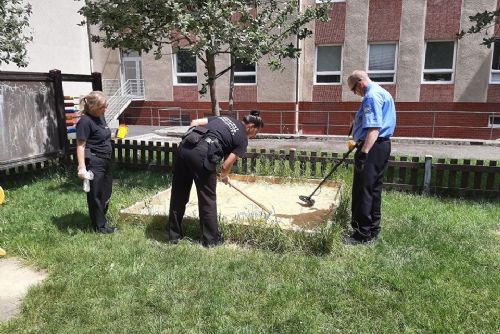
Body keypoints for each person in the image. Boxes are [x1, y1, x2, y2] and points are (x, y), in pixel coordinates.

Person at [168, 110, 264, 247]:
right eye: (256, 132)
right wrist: (224, 176)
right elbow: (226, 165)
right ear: (251, 126)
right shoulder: (243, 138)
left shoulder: (225, 118)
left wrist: (194, 142)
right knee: (207, 199)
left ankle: (173, 237)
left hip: (185, 146)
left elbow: (194, 123)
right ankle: (210, 241)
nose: (255, 135)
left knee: (179, 194)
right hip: (202, 155)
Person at [345, 70, 396, 244]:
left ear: (360, 83)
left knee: (363, 190)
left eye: (353, 90)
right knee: (374, 189)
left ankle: (361, 234)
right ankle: (373, 229)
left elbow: (374, 128)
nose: (355, 94)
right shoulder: (383, 92)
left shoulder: (371, 97)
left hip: (372, 147)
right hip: (382, 146)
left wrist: (364, 152)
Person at [76, 91, 117, 234]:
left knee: (106, 193)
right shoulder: (85, 121)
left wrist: (114, 135)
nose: (105, 109)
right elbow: (81, 146)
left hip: (106, 160)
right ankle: (99, 227)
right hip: (94, 161)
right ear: (92, 106)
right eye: (102, 107)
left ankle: (101, 221)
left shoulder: (100, 117)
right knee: (96, 194)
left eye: (105, 106)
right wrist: (82, 168)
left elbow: (102, 135)